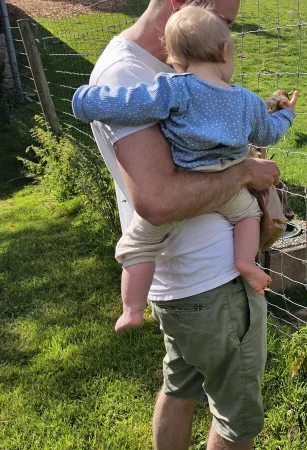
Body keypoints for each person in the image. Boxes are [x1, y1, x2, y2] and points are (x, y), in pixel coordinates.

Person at [83, 0, 276, 448]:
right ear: (179, 5)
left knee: (181, 387)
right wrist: (246, 171)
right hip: (212, 284)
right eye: (223, 24)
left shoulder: (168, 74)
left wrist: (262, 111)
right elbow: (157, 200)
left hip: (185, 285)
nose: (225, 40)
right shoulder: (127, 75)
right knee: (237, 421)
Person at [72, 4, 297, 334]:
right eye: (224, 24)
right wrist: (286, 115)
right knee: (248, 216)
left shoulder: (170, 87)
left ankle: (132, 309)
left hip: (192, 178)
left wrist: (84, 100)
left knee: (136, 247)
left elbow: (126, 104)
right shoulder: (246, 100)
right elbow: (269, 133)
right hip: (227, 187)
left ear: (175, 58)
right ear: (224, 50)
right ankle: (246, 262)